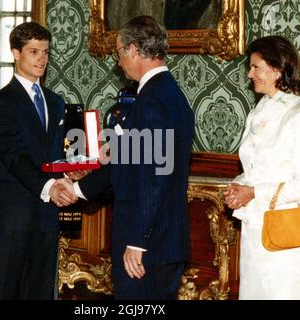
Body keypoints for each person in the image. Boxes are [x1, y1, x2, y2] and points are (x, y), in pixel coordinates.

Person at [65, 15, 195, 300]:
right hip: (165, 240)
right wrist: (76, 188)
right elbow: (133, 163)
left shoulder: (150, 101)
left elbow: (152, 180)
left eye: (120, 53)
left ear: (134, 50)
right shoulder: (172, 94)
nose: (119, 62)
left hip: (148, 243)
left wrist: (138, 241)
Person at [224, 35, 300, 300]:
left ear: (277, 69)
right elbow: (255, 167)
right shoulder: (258, 110)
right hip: (254, 227)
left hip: (285, 234)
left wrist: (254, 192)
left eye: (256, 67)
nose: (250, 73)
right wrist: (239, 185)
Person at [0, 21, 76, 300]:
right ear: (15, 53)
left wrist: (73, 173)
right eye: (34, 52)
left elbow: (58, 155)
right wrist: (50, 187)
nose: (42, 59)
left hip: (47, 217)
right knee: (5, 292)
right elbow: (14, 156)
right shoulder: (0, 103)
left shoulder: (56, 102)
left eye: (46, 52)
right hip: (13, 217)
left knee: (40, 292)